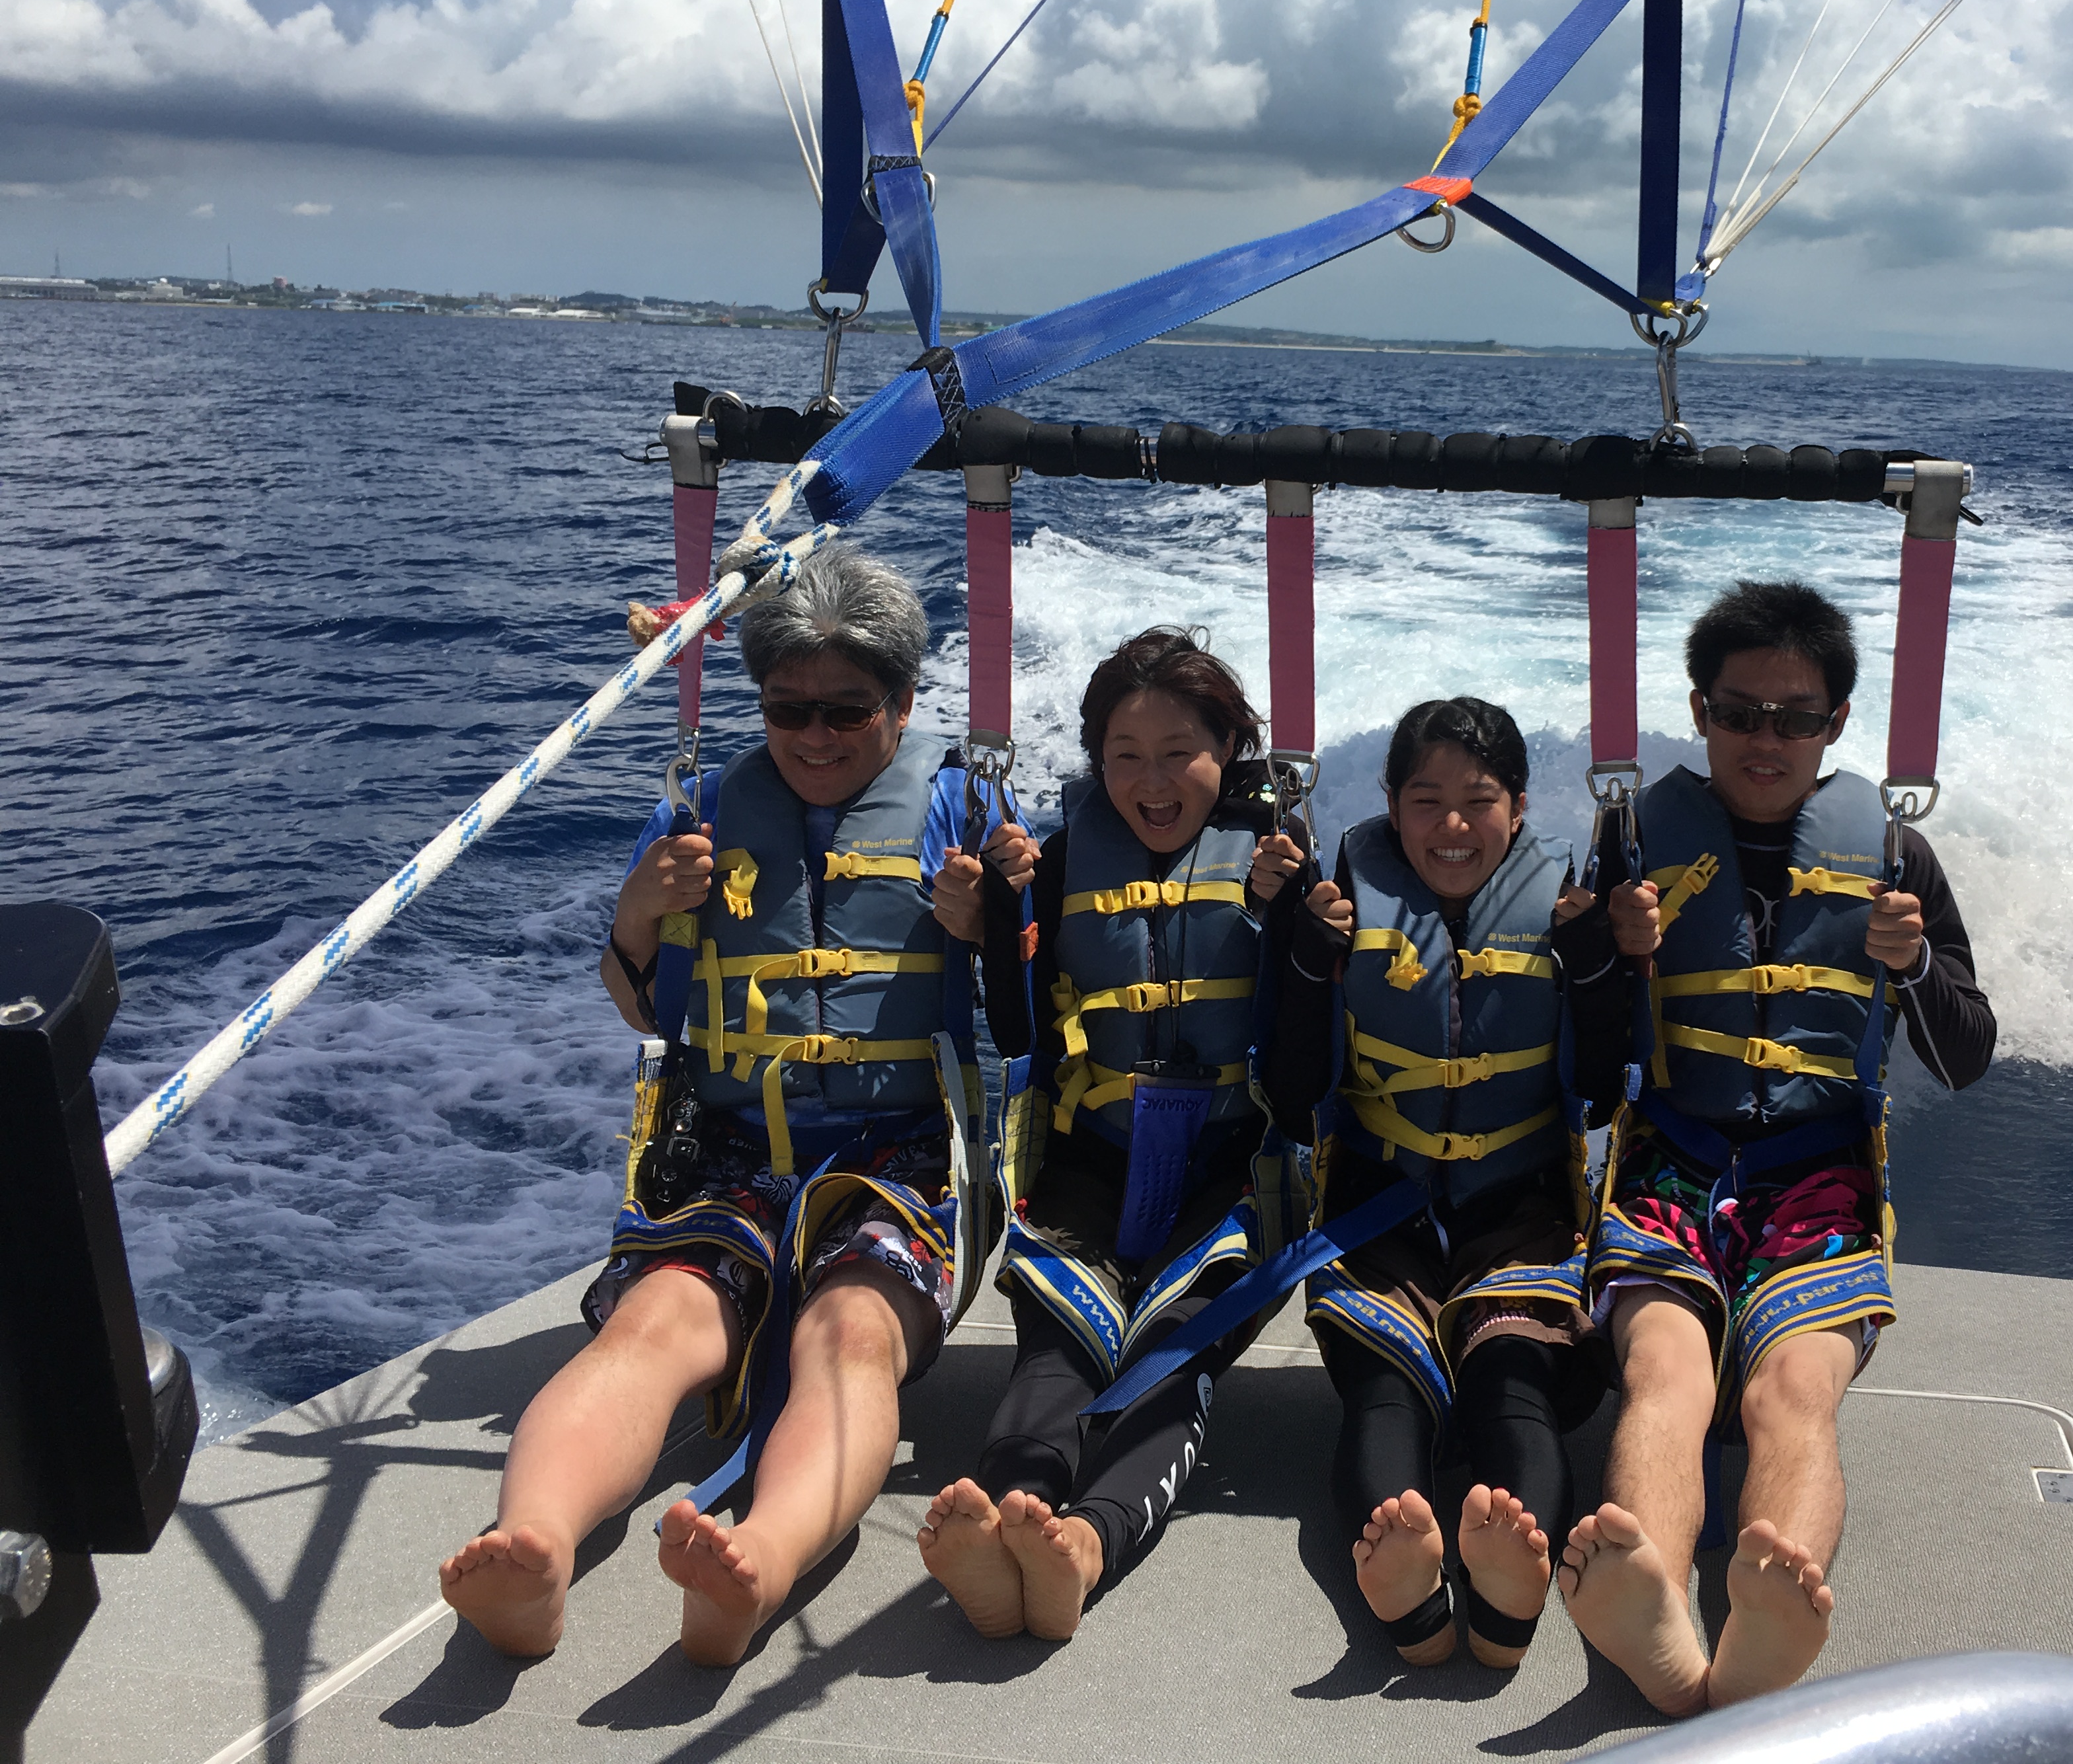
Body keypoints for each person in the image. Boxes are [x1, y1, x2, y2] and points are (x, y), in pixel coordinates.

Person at [440, 548, 1012, 1667]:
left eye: (847, 710)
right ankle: (534, 1548)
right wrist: (638, 916)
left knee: (851, 1335)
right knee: (656, 1326)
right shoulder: (700, 813)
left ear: (902, 703)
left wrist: (990, 924)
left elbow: (1036, 1011)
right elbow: (644, 1007)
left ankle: (762, 1561)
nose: (816, 735)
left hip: (901, 1163)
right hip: (732, 1153)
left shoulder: (964, 812)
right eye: (788, 709)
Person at [1559, 579, 1995, 1714]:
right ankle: (1659, 1614)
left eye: (1794, 718)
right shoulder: (1630, 845)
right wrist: (1610, 958)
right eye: (1739, 713)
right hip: (1670, 1162)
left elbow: (1967, 1054)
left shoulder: (1895, 857)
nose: (1765, 740)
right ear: (1698, 711)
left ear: (1835, 724)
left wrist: (1913, 967)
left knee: (1793, 1391)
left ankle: (1767, 1613)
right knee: (1665, 1374)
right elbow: (1581, 1072)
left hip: (1821, 1175)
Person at [917, 627, 1308, 1640]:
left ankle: (1086, 1543)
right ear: (1097, 762)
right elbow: (1019, 1034)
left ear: (1229, 750)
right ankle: (1013, 1518)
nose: (1154, 781)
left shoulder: (1282, 866)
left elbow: (1310, 1071)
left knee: (1175, 1350)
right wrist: (996, 920)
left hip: (1231, 1177)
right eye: (1126, 756)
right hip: (1093, 1163)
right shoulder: (1057, 865)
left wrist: (1298, 925)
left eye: (1181, 752)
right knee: (1056, 1349)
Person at [1266, 699, 1650, 1669]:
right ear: (1390, 804)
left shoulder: (1562, 907)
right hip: (1377, 1209)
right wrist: (1306, 958)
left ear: (1518, 808)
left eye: (1478, 801)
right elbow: (1295, 1091)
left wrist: (1595, 969)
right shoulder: (1342, 903)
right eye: (1425, 800)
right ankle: (1407, 1587)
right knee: (1384, 1398)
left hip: (1520, 1211)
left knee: (1510, 1385)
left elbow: (1602, 1095)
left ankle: (1510, 1594)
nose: (1452, 825)